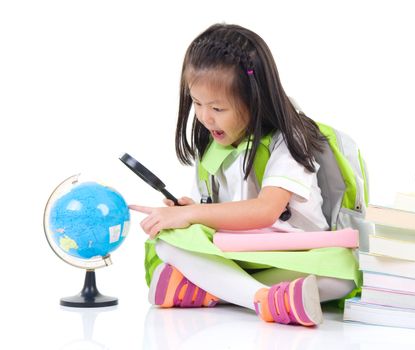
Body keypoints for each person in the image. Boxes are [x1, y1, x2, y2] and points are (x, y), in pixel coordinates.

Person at [130, 23, 360, 327]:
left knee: (343, 274)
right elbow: (219, 212)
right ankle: (267, 300)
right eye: (196, 103)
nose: (204, 116)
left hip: (296, 253)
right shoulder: (214, 141)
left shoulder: (290, 139)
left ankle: (216, 291)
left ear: (255, 99)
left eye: (217, 107)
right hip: (240, 254)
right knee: (168, 242)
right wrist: (191, 213)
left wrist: (197, 214)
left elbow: (265, 211)